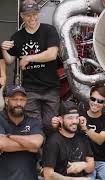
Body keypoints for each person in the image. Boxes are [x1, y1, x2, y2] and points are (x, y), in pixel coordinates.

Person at [1, 0, 60, 135]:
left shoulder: (49, 30)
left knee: (50, 124)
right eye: (28, 15)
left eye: (34, 14)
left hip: (50, 87)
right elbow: (9, 60)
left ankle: (51, 153)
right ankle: (38, 154)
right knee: (35, 125)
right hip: (30, 89)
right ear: (22, 16)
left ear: (38, 13)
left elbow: (52, 54)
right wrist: (3, 48)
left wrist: (28, 58)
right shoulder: (17, 36)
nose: (32, 18)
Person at [52, 85, 105, 180]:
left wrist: (85, 128)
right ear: (89, 98)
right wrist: (56, 124)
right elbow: (63, 127)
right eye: (93, 99)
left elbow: (100, 139)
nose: (95, 103)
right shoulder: (78, 115)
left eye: (100, 101)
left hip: (101, 161)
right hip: (80, 160)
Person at [0, 84, 44, 180]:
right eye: (15, 99)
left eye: (22, 99)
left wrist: (10, 137)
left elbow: (36, 143)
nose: (19, 103)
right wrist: (29, 146)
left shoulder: (33, 121)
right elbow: (1, 144)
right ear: (7, 100)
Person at [42, 101, 94, 179]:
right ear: (60, 119)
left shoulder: (82, 137)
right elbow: (48, 175)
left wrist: (84, 165)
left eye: (76, 117)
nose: (74, 121)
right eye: (70, 118)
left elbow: (91, 166)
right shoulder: (53, 141)